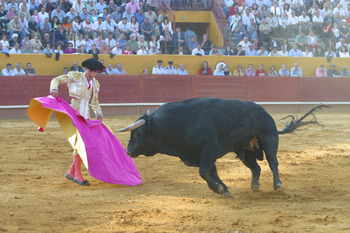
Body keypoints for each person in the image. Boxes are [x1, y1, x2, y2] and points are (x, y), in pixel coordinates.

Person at [50, 58, 104, 186]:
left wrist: (99, 113)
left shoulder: (96, 84)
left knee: (83, 143)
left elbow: (94, 102)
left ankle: (71, 172)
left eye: (94, 72)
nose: (92, 74)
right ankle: (77, 176)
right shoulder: (76, 76)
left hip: (86, 116)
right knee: (80, 143)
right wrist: (54, 89)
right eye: (90, 71)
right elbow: (56, 80)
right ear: (85, 69)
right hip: (74, 113)